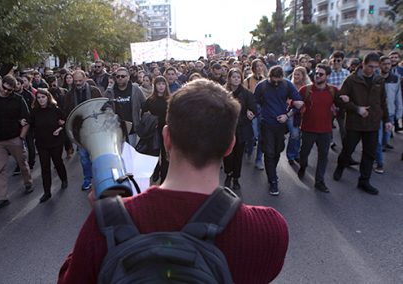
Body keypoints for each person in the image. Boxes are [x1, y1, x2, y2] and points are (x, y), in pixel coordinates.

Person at [58, 79, 289, 284]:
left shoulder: (102, 224)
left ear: (166, 138)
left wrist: (105, 217)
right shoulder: (269, 230)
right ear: (230, 145)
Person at [333, 52, 392, 195]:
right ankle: (341, 166)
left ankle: (364, 181)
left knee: (369, 154)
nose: (373, 70)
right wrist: (356, 108)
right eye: (370, 66)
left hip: (373, 123)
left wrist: (387, 120)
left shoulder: (379, 80)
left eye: (376, 67)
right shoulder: (351, 80)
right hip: (355, 123)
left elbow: (383, 102)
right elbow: (339, 100)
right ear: (363, 65)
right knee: (348, 150)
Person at [0, 75, 33, 210]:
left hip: (15, 138)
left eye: (9, 90)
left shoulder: (19, 100)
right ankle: (2, 198)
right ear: (0, 84)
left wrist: (21, 137)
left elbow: (27, 120)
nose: (6, 91)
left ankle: (28, 183)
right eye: (4, 88)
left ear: (13, 89)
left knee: (22, 163)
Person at [297, 64, 348, 193]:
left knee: (323, 156)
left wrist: (345, 100)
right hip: (308, 129)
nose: (317, 76)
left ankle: (319, 181)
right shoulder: (305, 90)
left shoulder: (333, 91)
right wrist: (294, 103)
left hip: (325, 130)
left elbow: (340, 104)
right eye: (316, 73)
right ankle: (303, 166)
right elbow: (293, 101)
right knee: (304, 154)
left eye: (321, 74)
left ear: (327, 76)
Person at [254, 66, 304, 196]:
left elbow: (299, 103)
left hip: (281, 124)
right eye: (273, 80)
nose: (276, 83)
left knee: (278, 150)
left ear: (282, 77)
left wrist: (287, 115)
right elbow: (254, 102)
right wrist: (258, 113)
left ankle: (272, 172)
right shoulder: (262, 86)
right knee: (269, 152)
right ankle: (273, 180)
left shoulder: (287, 84)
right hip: (266, 123)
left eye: (278, 80)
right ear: (269, 76)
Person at [63, 70, 103, 191]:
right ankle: (87, 179)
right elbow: (67, 113)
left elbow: (102, 106)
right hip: (79, 131)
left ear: (85, 79)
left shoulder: (94, 91)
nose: (78, 83)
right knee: (84, 158)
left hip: (95, 129)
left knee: (96, 156)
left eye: (80, 81)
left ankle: (99, 179)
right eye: (76, 81)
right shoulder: (69, 95)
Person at [28, 89, 68, 202]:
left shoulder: (55, 110)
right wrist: (23, 122)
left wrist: (60, 128)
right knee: (45, 167)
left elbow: (65, 122)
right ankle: (47, 192)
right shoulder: (34, 111)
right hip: (41, 143)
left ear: (48, 97)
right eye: (39, 97)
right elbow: (30, 123)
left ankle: (64, 179)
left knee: (58, 162)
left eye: (43, 97)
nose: (41, 100)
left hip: (56, 142)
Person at [223, 68, 257, 190]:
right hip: (227, 128)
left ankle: (236, 178)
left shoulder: (247, 93)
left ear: (241, 79)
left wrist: (251, 112)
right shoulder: (223, 91)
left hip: (241, 128)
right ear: (229, 78)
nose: (236, 79)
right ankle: (228, 174)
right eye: (233, 77)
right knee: (227, 154)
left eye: (238, 77)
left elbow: (254, 107)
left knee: (238, 155)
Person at [374, 56, 402, 174]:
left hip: (389, 114)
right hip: (377, 114)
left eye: (389, 64)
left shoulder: (395, 79)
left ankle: (379, 151)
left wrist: (399, 113)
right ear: (380, 65)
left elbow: (398, 96)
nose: (387, 66)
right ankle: (379, 164)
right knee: (378, 141)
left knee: (386, 139)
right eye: (384, 64)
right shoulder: (375, 78)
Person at [104, 67, 145, 147]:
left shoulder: (135, 89)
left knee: (130, 154)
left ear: (128, 77)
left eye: (123, 76)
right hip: (115, 129)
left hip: (132, 130)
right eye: (118, 76)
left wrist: (141, 122)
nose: (120, 78)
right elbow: (103, 107)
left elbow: (144, 105)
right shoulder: (110, 91)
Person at [141, 76, 170, 183]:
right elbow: (143, 114)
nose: (161, 86)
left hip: (166, 130)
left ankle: (164, 178)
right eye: (159, 84)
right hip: (154, 131)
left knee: (165, 155)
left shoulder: (170, 99)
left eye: (163, 84)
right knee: (153, 153)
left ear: (166, 85)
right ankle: (156, 170)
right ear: (155, 85)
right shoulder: (150, 100)